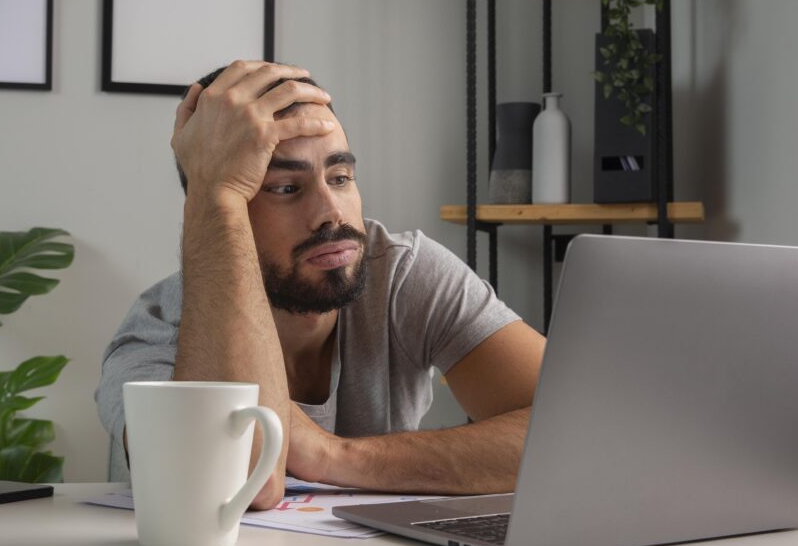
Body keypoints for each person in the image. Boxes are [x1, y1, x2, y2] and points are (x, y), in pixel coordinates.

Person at [95, 61, 546, 510]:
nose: (331, 211)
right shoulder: (158, 334)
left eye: (340, 177)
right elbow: (241, 487)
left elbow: (583, 430)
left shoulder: (402, 274)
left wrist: (333, 455)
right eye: (287, 188)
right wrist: (214, 194)